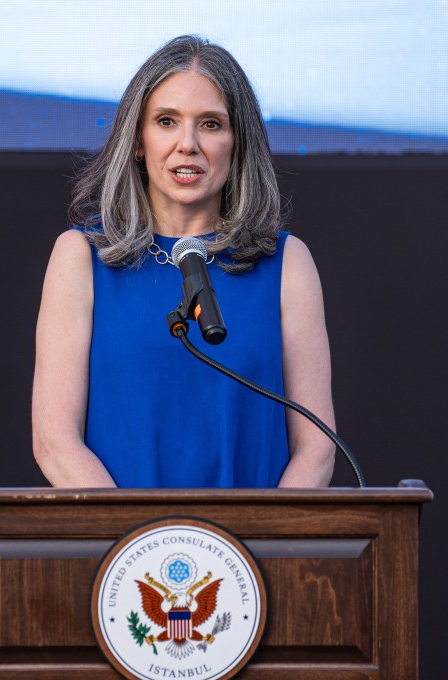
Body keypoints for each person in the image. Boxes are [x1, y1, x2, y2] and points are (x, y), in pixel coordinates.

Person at [32, 35, 336, 488]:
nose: (187, 143)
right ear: (138, 141)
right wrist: (145, 546)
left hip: (255, 554)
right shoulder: (79, 258)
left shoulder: (287, 263)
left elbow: (317, 448)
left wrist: (259, 549)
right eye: (167, 121)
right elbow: (55, 441)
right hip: (121, 551)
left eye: (211, 124)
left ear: (238, 144)